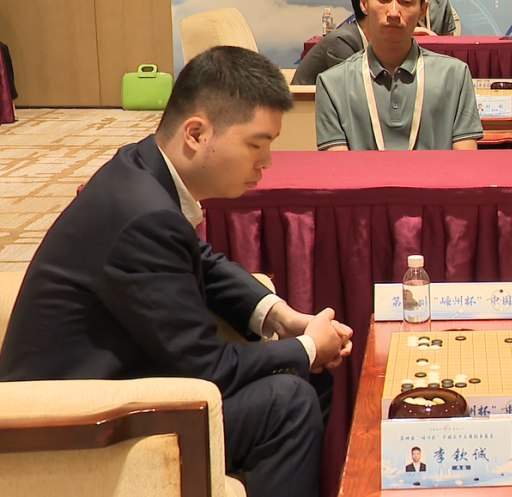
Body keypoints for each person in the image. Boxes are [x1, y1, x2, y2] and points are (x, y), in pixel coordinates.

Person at [0, 45, 355, 497]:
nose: (266, 162)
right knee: (288, 402)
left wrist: (280, 317)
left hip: (117, 390)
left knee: (304, 380)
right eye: (256, 145)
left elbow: (198, 258)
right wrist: (307, 347)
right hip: (71, 426)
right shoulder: (144, 216)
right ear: (196, 133)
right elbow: (207, 366)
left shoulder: (140, 168)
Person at [315, 0, 483, 151]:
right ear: (364, 4)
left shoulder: (455, 76)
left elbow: (465, 163)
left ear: (422, 10)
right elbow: (339, 168)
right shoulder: (332, 84)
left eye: (406, 2)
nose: (393, 12)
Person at [292, 0, 370, 85]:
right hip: (305, 95)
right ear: (364, 5)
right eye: (383, 0)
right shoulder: (343, 40)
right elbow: (352, 86)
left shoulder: (360, 37)